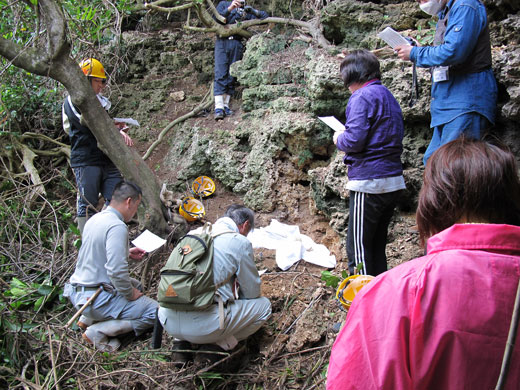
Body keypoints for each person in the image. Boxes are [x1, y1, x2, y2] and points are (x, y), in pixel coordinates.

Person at [327, 138, 520, 390]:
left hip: (368, 183)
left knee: (361, 244)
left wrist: (378, 296)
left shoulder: (399, 290)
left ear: (433, 200)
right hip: (388, 184)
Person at [158, 204, 272, 364]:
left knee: (189, 293)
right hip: (204, 328)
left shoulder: (192, 235)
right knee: (264, 307)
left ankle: (180, 345)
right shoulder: (238, 241)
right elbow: (252, 292)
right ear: (245, 225)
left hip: (166, 319)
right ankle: (215, 347)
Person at [395, 0, 497, 165]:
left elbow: (454, 51)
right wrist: (419, 50)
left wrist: (415, 53)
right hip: (447, 103)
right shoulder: (447, 11)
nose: (421, 2)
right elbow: (447, 55)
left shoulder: (465, 6)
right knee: (434, 163)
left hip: (465, 102)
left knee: (454, 167)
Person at [333, 49, 406, 277]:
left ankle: (361, 300)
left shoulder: (361, 97)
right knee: (376, 246)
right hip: (393, 180)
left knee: (359, 249)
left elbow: (354, 140)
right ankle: (379, 296)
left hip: (369, 182)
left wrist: (338, 137)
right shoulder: (388, 95)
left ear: (353, 77)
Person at [63, 181, 158, 352]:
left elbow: (96, 252)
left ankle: (87, 318)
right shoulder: (117, 226)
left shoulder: (96, 219)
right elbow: (116, 271)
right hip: (95, 298)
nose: (135, 212)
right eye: (136, 206)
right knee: (156, 312)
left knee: (137, 284)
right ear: (129, 202)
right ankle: (97, 331)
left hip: (78, 291)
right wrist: (129, 294)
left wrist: (126, 252)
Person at [62, 58, 135, 233]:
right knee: (87, 203)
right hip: (86, 159)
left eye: (103, 81)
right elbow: (85, 124)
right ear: (87, 80)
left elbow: (103, 124)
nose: (102, 85)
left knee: (117, 198)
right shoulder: (73, 101)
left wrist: (116, 127)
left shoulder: (101, 102)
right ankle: (87, 243)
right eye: (98, 81)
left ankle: (112, 236)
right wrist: (114, 130)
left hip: (107, 158)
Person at [213, 0, 268, 120]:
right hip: (222, 41)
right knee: (220, 72)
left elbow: (265, 17)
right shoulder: (224, 4)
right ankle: (218, 107)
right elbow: (217, 19)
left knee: (231, 75)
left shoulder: (245, 10)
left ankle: (226, 105)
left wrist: (253, 11)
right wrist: (230, 9)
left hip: (237, 43)